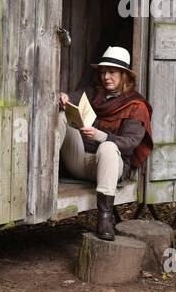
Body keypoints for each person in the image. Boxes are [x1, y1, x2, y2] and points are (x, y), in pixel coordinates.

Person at [57, 45, 154, 240]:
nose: (106, 77)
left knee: (109, 146)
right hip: (81, 161)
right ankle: (42, 174)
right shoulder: (94, 93)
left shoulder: (136, 106)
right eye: (103, 72)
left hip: (111, 166)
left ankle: (104, 218)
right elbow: (73, 98)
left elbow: (129, 143)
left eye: (111, 72)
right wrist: (64, 97)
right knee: (61, 116)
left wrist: (100, 136)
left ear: (124, 75)